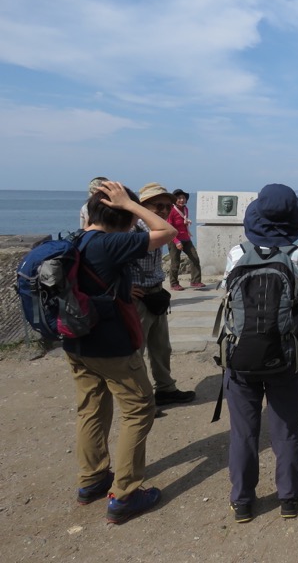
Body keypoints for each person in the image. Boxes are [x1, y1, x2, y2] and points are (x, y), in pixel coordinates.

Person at [63, 181, 177, 523]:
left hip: (76, 342)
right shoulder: (111, 243)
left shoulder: (77, 240)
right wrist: (131, 204)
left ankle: (92, 479)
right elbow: (167, 231)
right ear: (121, 213)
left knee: (91, 408)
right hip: (111, 344)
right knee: (139, 408)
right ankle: (125, 494)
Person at [222, 184, 298, 523]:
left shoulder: (236, 254)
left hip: (240, 358)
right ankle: (289, 497)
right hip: (285, 357)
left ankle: (243, 501)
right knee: (286, 429)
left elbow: (228, 298)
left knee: (244, 432)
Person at [131, 183, 197, 407]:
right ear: (142, 206)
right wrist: (123, 287)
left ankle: (166, 389)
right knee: (136, 351)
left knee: (161, 347)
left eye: (167, 206)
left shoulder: (154, 226)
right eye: (157, 205)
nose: (163, 210)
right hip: (137, 297)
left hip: (156, 292)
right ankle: (140, 400)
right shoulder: (133, 228)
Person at [166, 188, 205, 290]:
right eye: (179, 198)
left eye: (183, 198)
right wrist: (176, 241)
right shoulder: (171, 211)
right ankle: (174, 284)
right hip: (174, 239)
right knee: (175, 262)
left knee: (195, 258)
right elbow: (169, 228)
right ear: (174, 200)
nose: (181, 200)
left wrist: (186, 221)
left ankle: (195, 281)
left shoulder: (185, 209)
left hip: (186, 238)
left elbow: (181, 221)